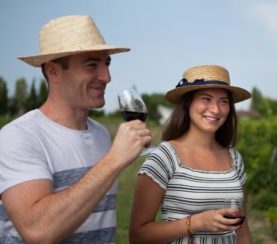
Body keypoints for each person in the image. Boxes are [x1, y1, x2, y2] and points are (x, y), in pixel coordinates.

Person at [0, 15, 151, 243]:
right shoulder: (18, 137)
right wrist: (113, 160)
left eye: (107, 63)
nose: (106, 77)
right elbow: (38, 232)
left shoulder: (100, 134)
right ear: (53, 72)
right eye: (92, 65)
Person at [129, 64, 253, 243]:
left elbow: (242, 231)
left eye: (223, 101)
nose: (216, 109)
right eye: (206, 98)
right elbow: (138, 235)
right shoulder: (164, 157)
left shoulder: (234, 158)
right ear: (188, 103)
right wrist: (197, 223)